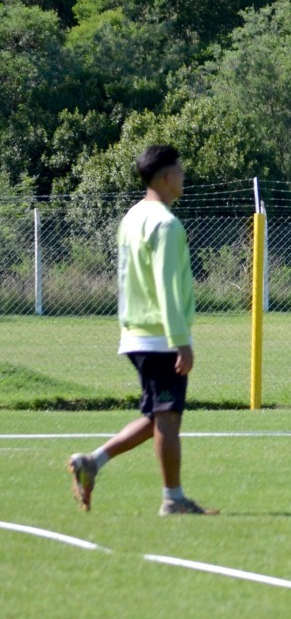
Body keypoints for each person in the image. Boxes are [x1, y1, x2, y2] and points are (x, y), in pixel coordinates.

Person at [67, 145, 217, 516]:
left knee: (156, 417)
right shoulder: (165, 224)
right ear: (166, 177)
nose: (183, 175)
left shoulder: (132, 217)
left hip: (135, 331)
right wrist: (181, 341)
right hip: (159, 336)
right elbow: (166, 286)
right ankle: (174, 498)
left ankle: (93, 462)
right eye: (179, 170)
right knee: (168, 417)